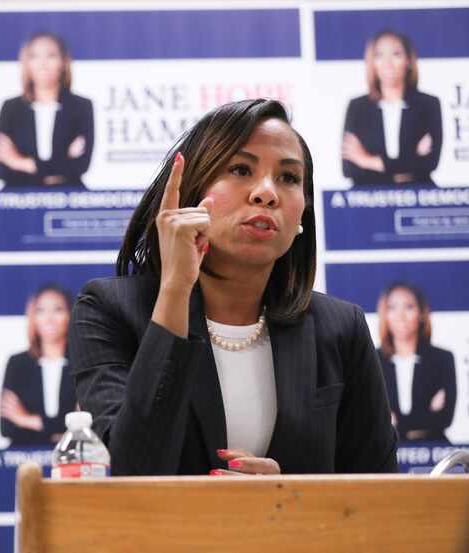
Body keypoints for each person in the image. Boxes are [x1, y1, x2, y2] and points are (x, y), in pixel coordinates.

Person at [68, 99, 397, 476]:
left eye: (289, 178)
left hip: (294, 536)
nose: (266, 193)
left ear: (302, 216)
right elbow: (134, 469)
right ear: (193, 191)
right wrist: (175, 289)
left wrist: (291, 499)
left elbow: (379, 495)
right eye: (241, 169)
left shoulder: (341, 328)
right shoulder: (109, 310)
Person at [342, 29, 442, 186]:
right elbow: (350, 169)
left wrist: (366, 160)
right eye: (379, 55)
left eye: (396, 54)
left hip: (416, 196)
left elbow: (429, 164)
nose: (387, 63)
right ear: (372, 62)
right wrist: (409, 161)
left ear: (408, 60)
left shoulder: (428, 105)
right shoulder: (358, 107)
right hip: (369, 197)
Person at [0, 32, 93, 187]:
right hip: (19, 198)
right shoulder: (11, 108)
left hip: (67, 197)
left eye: (51, 56)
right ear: (26, 63)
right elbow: (1, 170)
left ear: (63, 62)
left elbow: (80, 166)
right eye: (34, 56)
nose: (42, 63)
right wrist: (63, 160)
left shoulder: (81, 107)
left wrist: (21, 162)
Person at [377, 283, 456, 443]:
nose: (400, 316)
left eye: (409, 307)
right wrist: (427, 412)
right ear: (385, 314)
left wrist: (396, 422)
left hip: (432, 448)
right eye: (392, 307)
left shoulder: (442, 359)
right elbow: (372, 419)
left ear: (421, 313)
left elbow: (444, 419)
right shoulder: (373, 359)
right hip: (387, 449)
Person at [0, 284, 77, 446]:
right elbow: (7, 427)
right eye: (41, 311)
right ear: (32, 317)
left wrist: (27, 420)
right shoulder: (18, 364)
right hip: (25, 457)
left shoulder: (82, 363)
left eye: (58, 310)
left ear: (70, 315)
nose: (49, 318)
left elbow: (84, 425)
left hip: (73, 457)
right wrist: (58, 429)